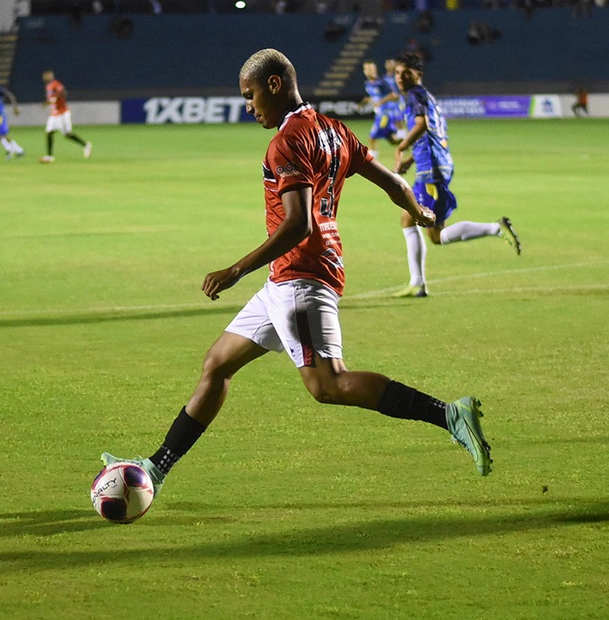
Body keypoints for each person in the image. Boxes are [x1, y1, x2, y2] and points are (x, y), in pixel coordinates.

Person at [101, 48, 494, 511]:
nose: (249, 107)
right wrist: (417, 209)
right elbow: (390, 180)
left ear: (274, 85)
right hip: (287, 278)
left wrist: (234, 270)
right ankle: (155, 468)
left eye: (250, 96)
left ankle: (450, 415)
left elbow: (298, 224)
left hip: (301, 277)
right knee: (217, 364)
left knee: (328, 384)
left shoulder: (287, 142)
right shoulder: (334, 129)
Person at [392, 52, 520, 298]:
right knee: (408, 219)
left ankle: (496, 228)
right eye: (397, 73)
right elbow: (434, 136)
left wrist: (400, 149)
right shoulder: (429, 97)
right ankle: (417, 283)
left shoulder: (415, 96)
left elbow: (422, 125)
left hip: (432, 170)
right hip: (434, 165)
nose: (399, 77)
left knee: (437, 234)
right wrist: (411, 159)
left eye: (405, 72)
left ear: (418, 74)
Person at [40, 70, 91, 163]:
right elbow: (51, 100)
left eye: (47, 76)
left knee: (68, 134)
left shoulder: (55, 84)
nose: (45, 77)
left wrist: (55, 97)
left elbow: (63, 92)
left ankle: (85, 145)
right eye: (45, 76)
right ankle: (49, 156)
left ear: (51, 76)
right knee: (49, 132)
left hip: (62, 113)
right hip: (55, 113)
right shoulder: (48, 87)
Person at [358, 59, 401, 159]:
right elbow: (374, 96)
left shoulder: (381, 82)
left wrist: (381, 102)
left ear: (375, 69)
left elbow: (394, 95)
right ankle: (411, 142)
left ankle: (372, 160)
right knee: (393, 140)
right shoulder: (368, 83)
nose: (368, 71)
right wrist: (363, 102)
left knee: (372, 138)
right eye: (366, 69)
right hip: (379, 113)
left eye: (370, 68)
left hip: (385, 114)